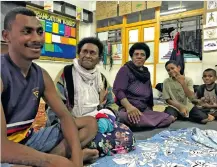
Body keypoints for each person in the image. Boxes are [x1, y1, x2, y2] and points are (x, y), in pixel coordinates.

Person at [1, 7, 99, 167]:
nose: (37, 39)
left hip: (28, 140)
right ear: (6, 36)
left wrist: (76, 160)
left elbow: (65, 116)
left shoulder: (42, 75)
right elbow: (2, 148)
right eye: (27, 32)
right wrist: (52, 161)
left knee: (90, 123)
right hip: (4, 149)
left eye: (40, 32)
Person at [47, 37, 135, 157]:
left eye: (92, 53)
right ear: (79, 54)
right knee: (81, 137)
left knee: (127, 136)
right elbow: (53, 104)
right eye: (84, 51)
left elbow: (112, 103)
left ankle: (75, 151)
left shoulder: (101, 78)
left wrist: (105, 117)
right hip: (71, 123)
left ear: (99, 58)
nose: (87, 55)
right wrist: (66, 125)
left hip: (97, 122)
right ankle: (78, 152)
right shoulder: (66, 74)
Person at [113, 42, 174, 129]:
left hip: (143, 110)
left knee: (168, 118)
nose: (139, 56)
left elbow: (149, 92)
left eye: (142, 55)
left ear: (145, 58)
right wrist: (129, 107)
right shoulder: (125, 69)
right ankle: (137, 122)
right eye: (136, 54)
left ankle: (139, 123)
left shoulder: (146, 73)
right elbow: (119, 90)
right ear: (132, 56)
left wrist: (150, 110)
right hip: (128, 109)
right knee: (126, 117)